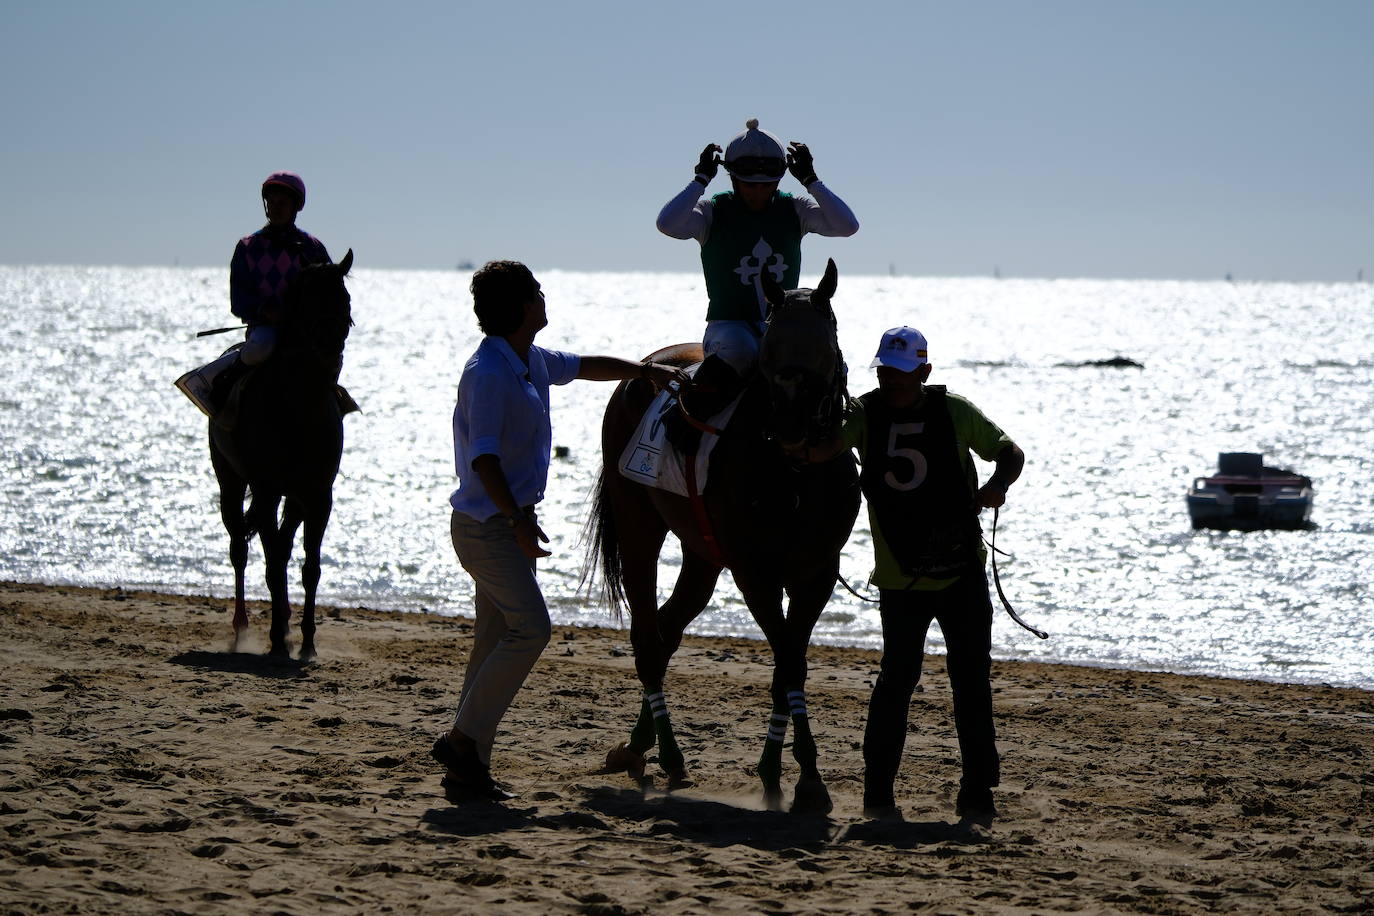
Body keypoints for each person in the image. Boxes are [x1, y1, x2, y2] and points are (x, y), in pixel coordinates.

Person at [432, 260, 689, 802]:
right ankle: (460, 740)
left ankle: (467, 764)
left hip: (502, 525)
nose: (545, 297)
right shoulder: (489, 372)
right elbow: (483, 459)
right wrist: (518, 520)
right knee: (531, 631)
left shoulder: (526, 359)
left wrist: (643, 373)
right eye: (538, 292)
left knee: (492, 641)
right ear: (523, 306)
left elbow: (584, 365)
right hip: (487, 528)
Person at [794, 326, 1024, 821]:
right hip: (900, 580)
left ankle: (978, 792)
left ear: (923, 371)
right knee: (896, 681)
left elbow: (1010, 452)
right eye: (883, 370)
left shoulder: (955, 410)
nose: (889, 380)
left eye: (899, 372)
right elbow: (823, 449)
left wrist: (997, 485)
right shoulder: (861, 412)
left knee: (971, 681)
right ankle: (878, 796)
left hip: (961, 573)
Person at [655, 119, 858, 440]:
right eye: (750, 184)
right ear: (733, 177)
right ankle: (680, 430)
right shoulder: (712, 210)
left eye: (768, 184)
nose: (760, 191)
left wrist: (811, 180)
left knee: (829, 364)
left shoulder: (795, 207)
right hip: (728, 326)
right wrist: (700, 180)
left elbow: (847, 226)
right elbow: (667, 224)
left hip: (779, 325)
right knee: (742, 353)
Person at [176, 171, 332, 417]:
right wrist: (265, 312)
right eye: (271, 202)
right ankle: (224, 379)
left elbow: (329, 293)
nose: (275, 208)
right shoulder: (248, 247)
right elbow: (239, 301)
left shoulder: (314, 248)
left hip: (303, 330)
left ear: (296, 206)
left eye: (282, 203)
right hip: (266, 329)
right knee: (262, 346)